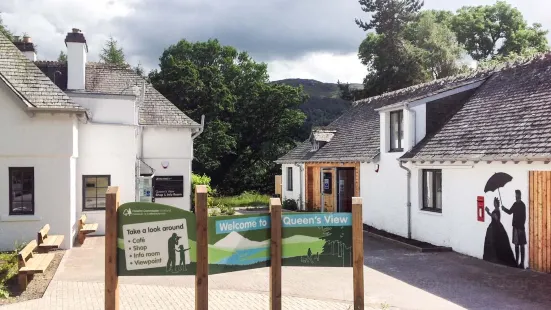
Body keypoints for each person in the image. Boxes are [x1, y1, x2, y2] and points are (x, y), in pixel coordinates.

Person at [483, 197, 517, 267]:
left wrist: (488, 211)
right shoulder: (496, 210)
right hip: (493, 227)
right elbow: (493, 216)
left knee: (496, 242)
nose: (494, 203)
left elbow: (496, 218)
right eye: (494, 202)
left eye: (495, 202)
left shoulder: (497, 210)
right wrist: (489, 212)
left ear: (497, 204)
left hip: (496, 228)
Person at [502, 190, 527, 269]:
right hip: (516, 227)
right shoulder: (516, 204)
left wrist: (520, 227)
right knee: (517, 245)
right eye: (516, 195)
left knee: (521, 245)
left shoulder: (522, 205)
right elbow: (510, 212)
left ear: (519, 195)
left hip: (519, 228)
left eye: (516, 195)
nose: (516, 196)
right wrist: (504, 209)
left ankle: (521, 263)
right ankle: (517, 262)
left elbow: (524, 217)